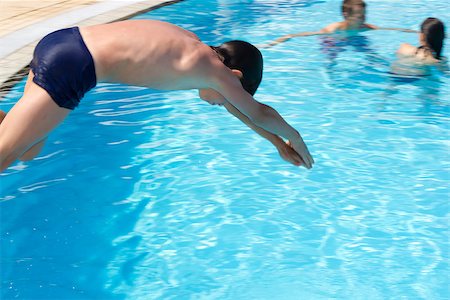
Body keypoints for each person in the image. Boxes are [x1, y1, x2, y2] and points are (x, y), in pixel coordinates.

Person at [0, 20, 314, 172]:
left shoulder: (193, 51)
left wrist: (276, 144)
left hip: (62, 42)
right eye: (229, 96)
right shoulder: (213, 71)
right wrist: (294, 137)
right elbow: (259, 112)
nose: (223, 103)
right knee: (4, 157)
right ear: (235, 77)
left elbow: (241, 111)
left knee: (28, 150)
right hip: (75, 67)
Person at [265, 0, 415, 48]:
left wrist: (412, 32)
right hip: (333, 41)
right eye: (359, 16)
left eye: (364, 16)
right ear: (346, 15)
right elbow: (299, 35)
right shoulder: (334, 30)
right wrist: (277, 41)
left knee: (368, 51)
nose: (363, 19)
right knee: (332, 59)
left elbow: (388, 29)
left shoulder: (364, 27)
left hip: (352, 38)